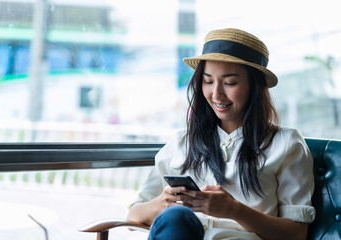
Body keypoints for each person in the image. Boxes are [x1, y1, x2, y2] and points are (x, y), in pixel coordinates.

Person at [127, 28, 315, 240]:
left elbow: (297, 234)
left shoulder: (286, 143)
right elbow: (133, 216)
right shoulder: (182, 142)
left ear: (254, 86)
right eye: (208, 81)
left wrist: (235, 210)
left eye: (229, 83)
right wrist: (160, 203)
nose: (216, 94)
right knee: (176, 217)